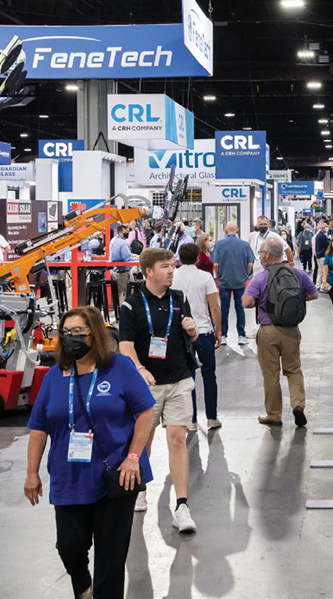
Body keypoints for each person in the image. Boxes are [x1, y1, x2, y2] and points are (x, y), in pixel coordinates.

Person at [25, 305, 155, 599]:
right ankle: (84, 588)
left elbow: (146, 412)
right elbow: (38, 427)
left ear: (93, 335)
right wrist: (32, 473)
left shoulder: (119, 367)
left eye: (78, 333)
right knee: (69, 546)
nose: (70, 338)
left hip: (116, 478)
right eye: (66, 332)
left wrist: (133, 458)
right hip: (68, 477)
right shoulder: (54, 376)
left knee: (110, 560)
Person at [117, 248, 200, 531]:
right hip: (147, 387)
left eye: (172, 266)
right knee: (144, 440)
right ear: (148, 271)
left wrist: (192, 330)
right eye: (165, 266)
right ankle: (140, 489)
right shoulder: (131, 305)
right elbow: (125, 345)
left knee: (178, 439)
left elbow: (191, 333)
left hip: (178, 379)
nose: (171, 271)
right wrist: (140, 369)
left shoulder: (180, 298)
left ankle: (182, 505)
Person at [243, 238, 319, 426]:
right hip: (292, 331)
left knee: (271, 375)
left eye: (260, 252)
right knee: (293, 370)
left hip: (268, 332)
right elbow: (313, 294)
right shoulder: (297, 274)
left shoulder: (261, 277)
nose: (259, 256)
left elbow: (246, 302)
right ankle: (298, 405)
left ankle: (274, 415)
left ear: (268, 255)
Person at [172, 243, 222, 431]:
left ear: (179, 257)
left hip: (181, 334)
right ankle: (212, 418)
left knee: (187, 378)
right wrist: (218, 331)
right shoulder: (205, 277)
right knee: (209, 374)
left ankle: (191, 421)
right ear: (198, 258)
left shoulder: (173, 277)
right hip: (204, 332)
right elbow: (214, 307)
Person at [210, 221, 255, 347]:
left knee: (224, 308)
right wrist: (245, 275)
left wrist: (219, 276)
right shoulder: (244, 245)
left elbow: (216, 264)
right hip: (240, 281)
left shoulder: (219, 245)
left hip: (224, 281)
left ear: (225, 231)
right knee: (240, 308)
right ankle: (241, 335)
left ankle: (223, 335)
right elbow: (250, 264)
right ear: (237, 230)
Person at [109, 224, 135, 309]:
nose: (127, 233)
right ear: (120, 233)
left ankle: (120, 313)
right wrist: (137, 258)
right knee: (127, 294)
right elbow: (127, 258)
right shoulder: (123, 243)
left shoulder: (113, 240)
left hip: (114, 271)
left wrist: (131, 255)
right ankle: (125, 314)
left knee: (119, 294)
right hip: (122, 273)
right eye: (126, 232)